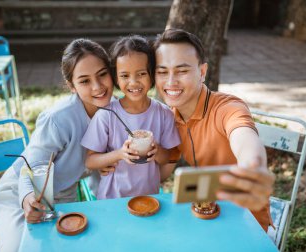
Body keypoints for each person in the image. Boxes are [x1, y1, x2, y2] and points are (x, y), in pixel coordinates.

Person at [0, 38, 114, 252]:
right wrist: (27, 198)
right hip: (19, 194)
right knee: (23, 249)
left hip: (64, 198)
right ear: (71, 86)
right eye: (84, 81)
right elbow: (31, 166)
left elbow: (99, 172)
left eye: (102, 74)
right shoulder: (59, 119)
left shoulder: (115, 113)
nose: (98, 86)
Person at [154, 28, 275, 232]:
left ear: (202, 72)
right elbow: (162, 173)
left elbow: (244, 138)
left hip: (247, 221)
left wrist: (253, 166)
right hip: (205, 215)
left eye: (182, 70)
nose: (170, 81)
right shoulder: (169, 117)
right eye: (162, 71)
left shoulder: (227, 107)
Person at [81, 35, 180, 199]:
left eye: (141, 74)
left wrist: (156, 150)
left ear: (152, 74)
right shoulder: (107, 115)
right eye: (125, 76)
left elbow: (166, 159)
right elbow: (90, 161)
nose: (133, 82)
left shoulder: (164, 114)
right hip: (112, 199)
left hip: (149, 197)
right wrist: (119, 154)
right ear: (116, 78)